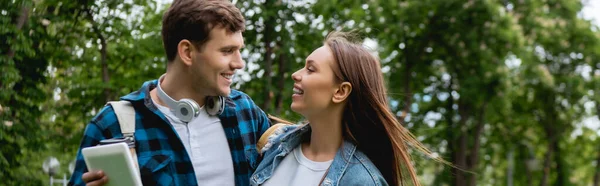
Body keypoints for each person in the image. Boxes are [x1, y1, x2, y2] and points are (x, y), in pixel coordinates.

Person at [68, 0, 270, 185]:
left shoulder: (246, 112)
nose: (239, 63)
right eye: (227, 51)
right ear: (187, 52)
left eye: (239, 50)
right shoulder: (112, 125)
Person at [251, 32, 443, 186]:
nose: (295, 75)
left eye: (310, 69)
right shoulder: (275, 145)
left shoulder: (363, 180)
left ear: (341, 91)